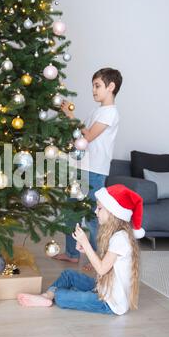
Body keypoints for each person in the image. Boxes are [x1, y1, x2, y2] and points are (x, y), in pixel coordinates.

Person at [17, 184, 144, 316]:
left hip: (109, 302)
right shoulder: (117, 235)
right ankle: (46, 297)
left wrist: (86, 243)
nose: (95, 211)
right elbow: (107, 265)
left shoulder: (120, 239)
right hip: (102, 288)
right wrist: (86, 250)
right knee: (68, 275)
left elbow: (101, 269)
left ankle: (50, 297)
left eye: (99, 208)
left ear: (113, 213)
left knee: (60, 295)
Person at [54, 68, 123, 266]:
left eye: (97, 86)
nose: (93, 90)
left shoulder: (110, 113)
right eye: (93, 85)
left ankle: (99, 259)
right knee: (71, 212)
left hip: (95, 171)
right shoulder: (97, 111)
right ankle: (72, 253)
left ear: (111, 87)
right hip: (80, 166)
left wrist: (70, 114)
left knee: (93, 217)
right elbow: (80, 135)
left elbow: (89, 136)